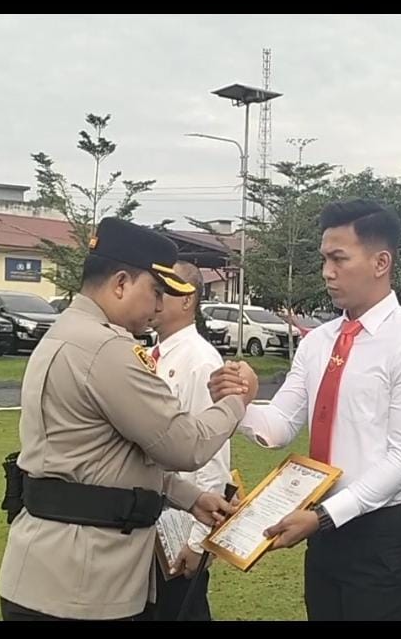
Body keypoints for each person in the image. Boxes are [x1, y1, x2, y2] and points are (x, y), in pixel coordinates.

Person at [0, 218, 254, 621]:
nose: (158, 307)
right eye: (155, 292)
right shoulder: (106, 348)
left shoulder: (67, 333)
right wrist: (238, 400)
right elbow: (184, 445)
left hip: (48, 568)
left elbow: (106, 460)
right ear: (120, 283)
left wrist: (189, 497)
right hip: (85, 583)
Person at [209, 198, 401, 621]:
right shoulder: (319, 341)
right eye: (324, 259)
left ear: (381, 262)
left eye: (339, 259)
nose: (327, 272)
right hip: (325, 535)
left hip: (382, 538)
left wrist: (323, 516)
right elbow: (279, 426)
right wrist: (237, 402)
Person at [148, 261, 228, 622]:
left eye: (164, 291)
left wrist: (198, 541)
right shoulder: (153, 354)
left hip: (181, 526)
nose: (154, 298)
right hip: (149, 521)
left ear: (187, 299)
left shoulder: (200, 360)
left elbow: (213, 454)